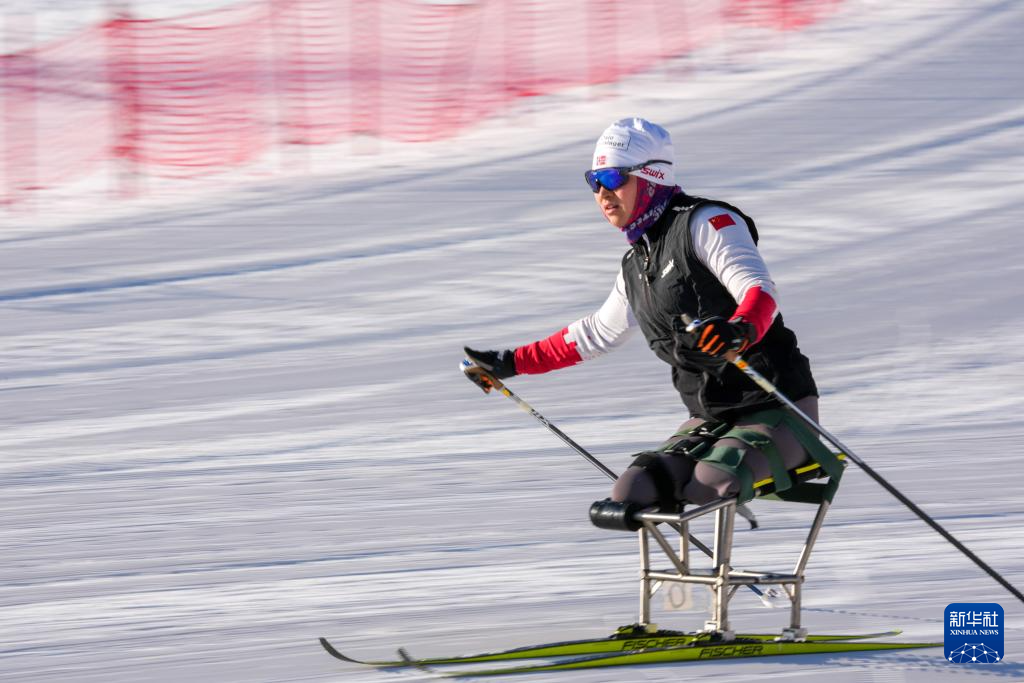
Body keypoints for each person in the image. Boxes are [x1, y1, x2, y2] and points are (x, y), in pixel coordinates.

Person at [465, 117, 820, 511]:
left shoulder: (705, 223)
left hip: (777, 407)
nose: (602, 192)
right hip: (710, 418)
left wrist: (739, 329)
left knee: (710, 484)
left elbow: (758, 289)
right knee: (630, 493)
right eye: (593, 180)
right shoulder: (637, 264)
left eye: (613, 178)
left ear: (652, 177)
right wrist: (511, 363)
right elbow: (596, 334)